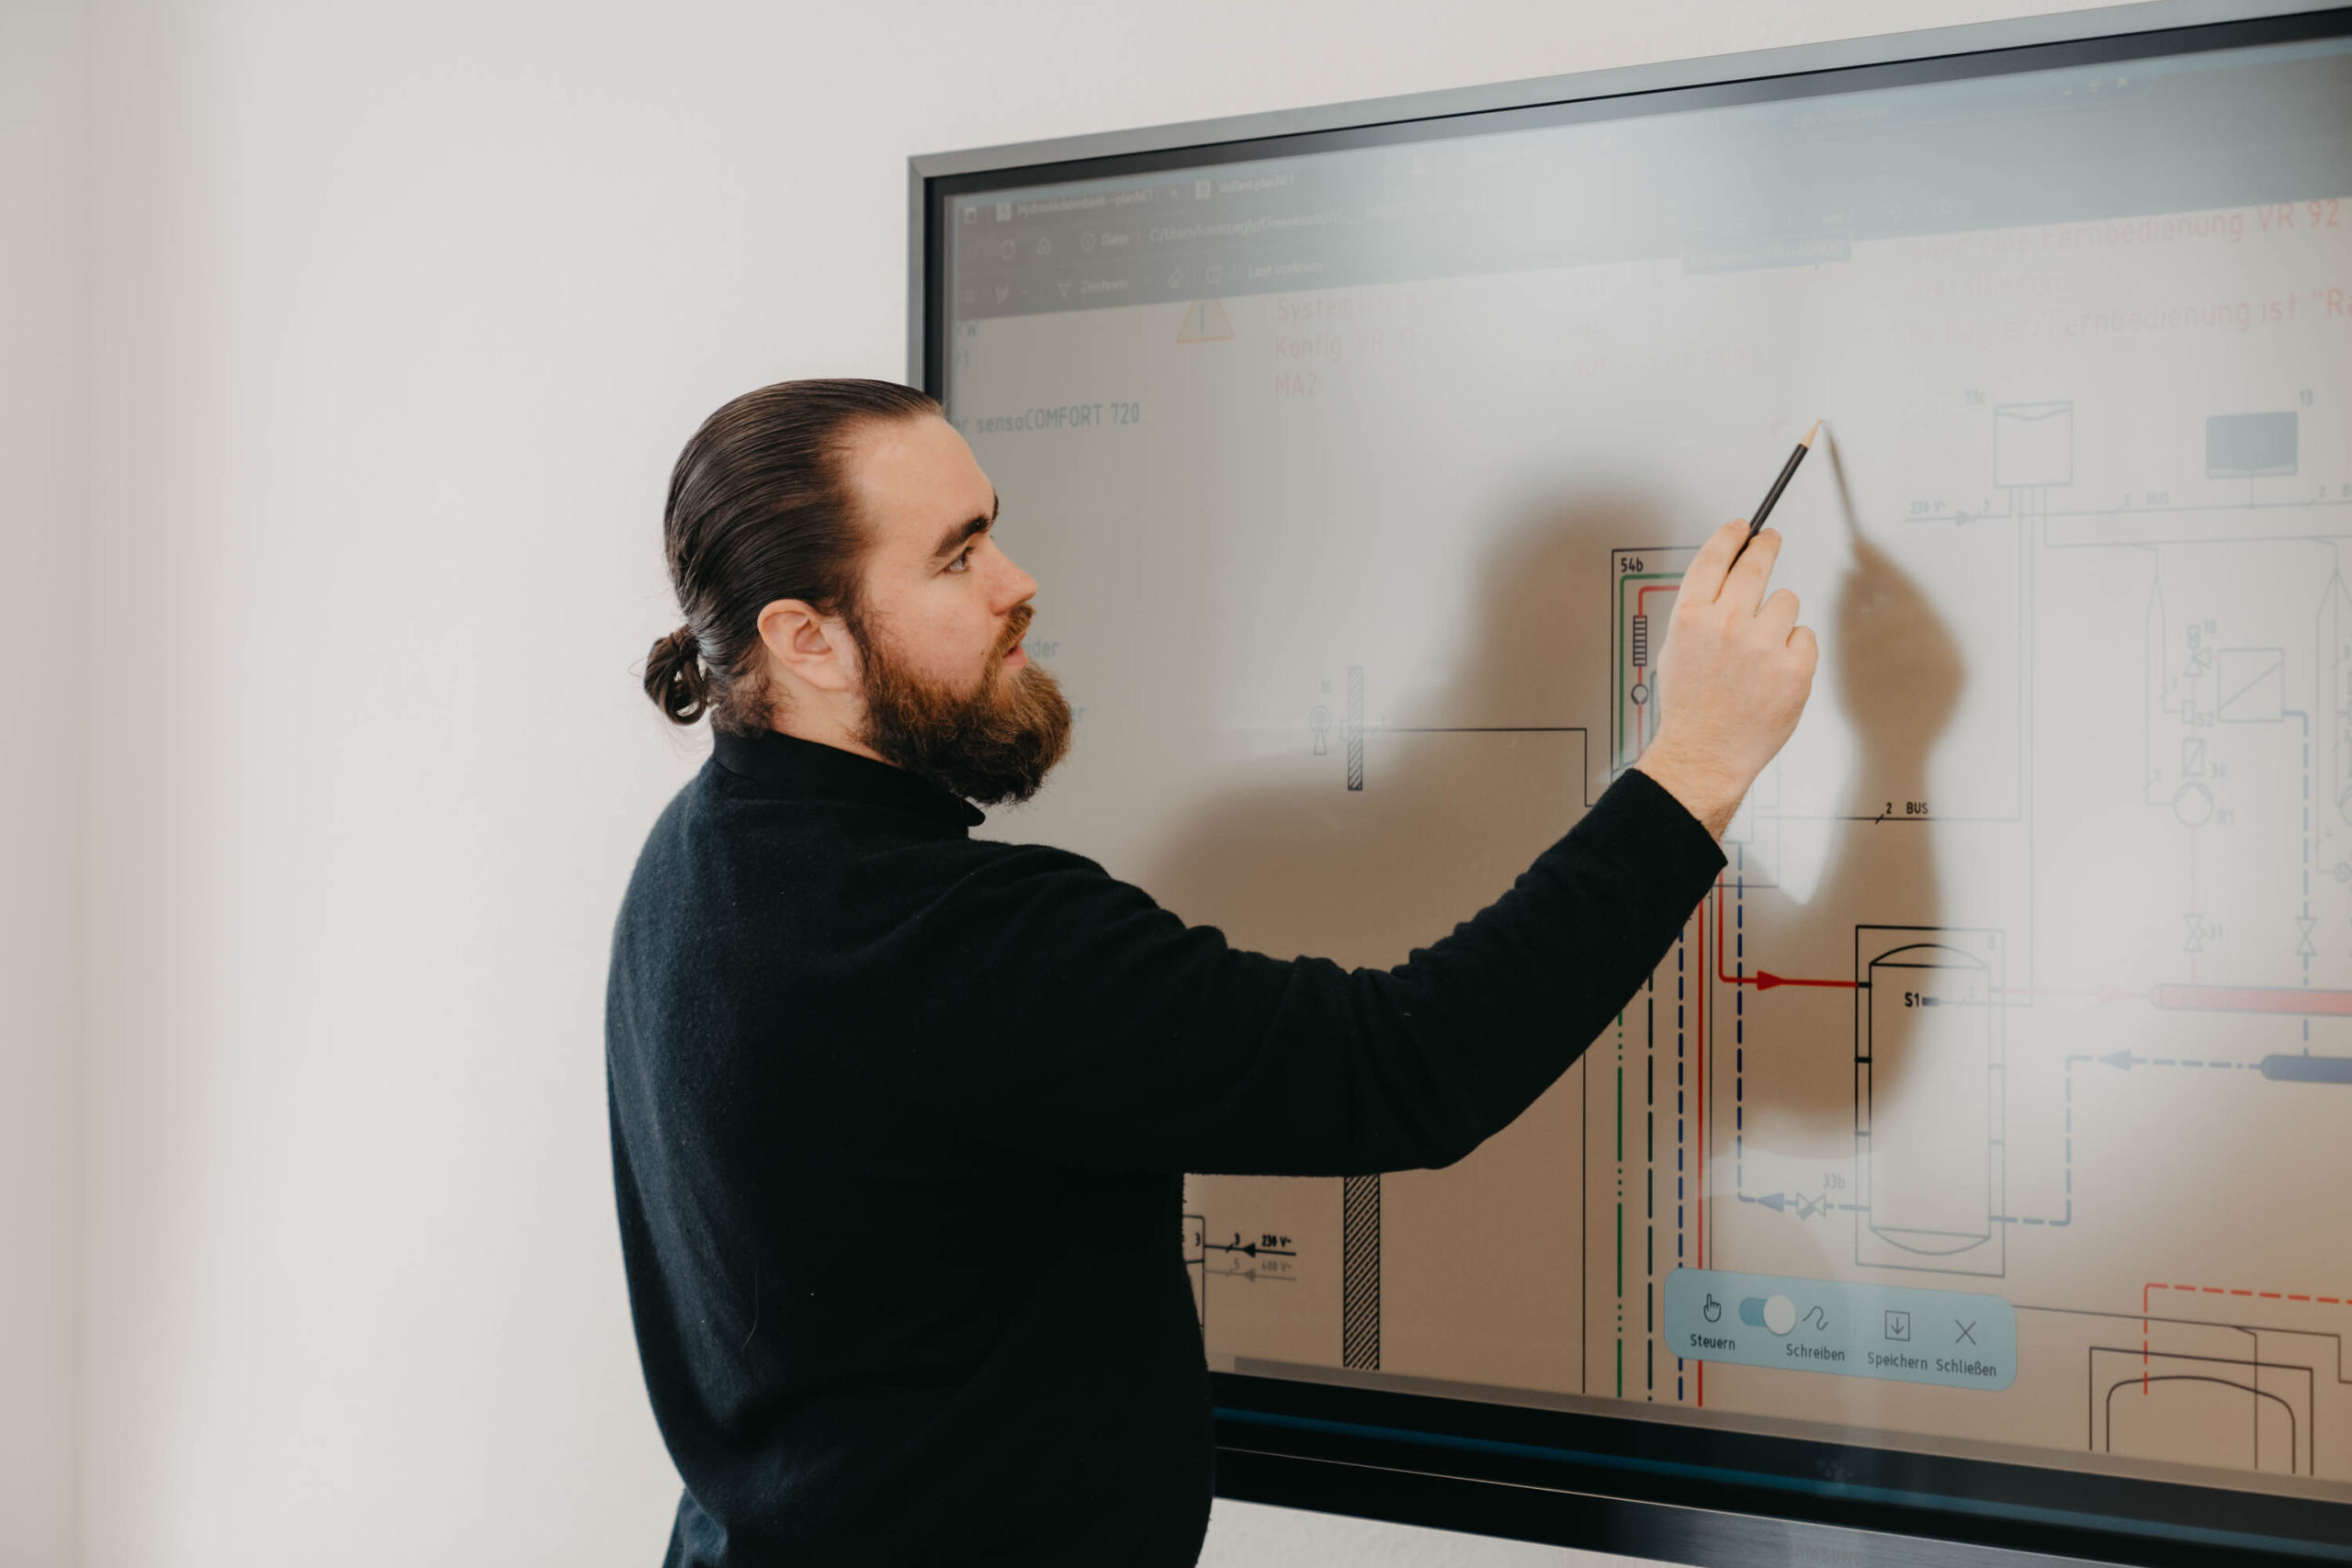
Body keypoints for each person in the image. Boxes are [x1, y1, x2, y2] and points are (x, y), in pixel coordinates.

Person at [605, 378, 1816, 1567]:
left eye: (994, 529)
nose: (1017, 581)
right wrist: (1699, 761)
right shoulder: (952, 941)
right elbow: (1407, 1066)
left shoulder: (694, 860)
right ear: (804, 639)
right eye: (958, 554)